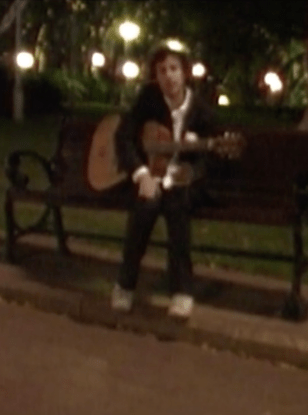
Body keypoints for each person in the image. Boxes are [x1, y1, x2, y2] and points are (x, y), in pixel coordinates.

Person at [111, 43, 218, 318]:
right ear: (155, 76)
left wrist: (190, 173)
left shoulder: (201, 111)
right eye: (162, 70)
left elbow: (210, 160)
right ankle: (125, 284)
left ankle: (182, 292)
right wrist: (142, 174)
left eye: (174, 69)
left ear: (184, 73)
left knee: (176, 203)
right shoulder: (148, 100)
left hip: (183, 183)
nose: (168, 76)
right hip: (150, 175)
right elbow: (124, 136)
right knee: (145, 206)